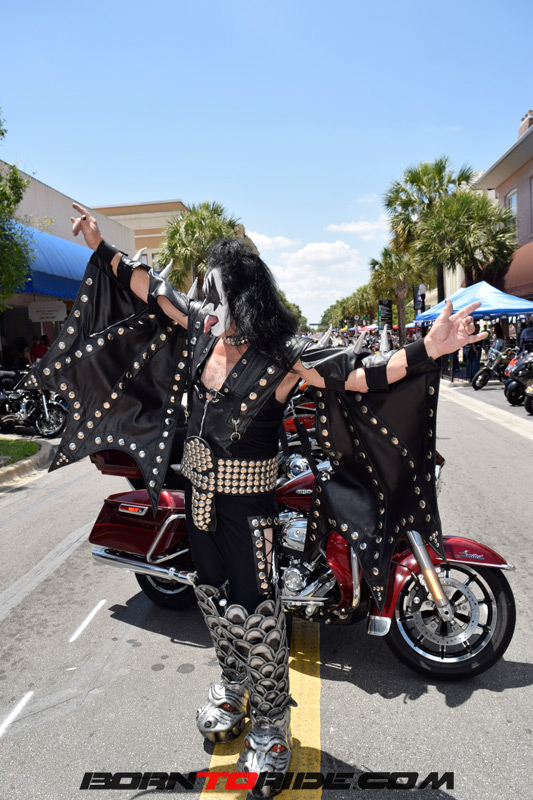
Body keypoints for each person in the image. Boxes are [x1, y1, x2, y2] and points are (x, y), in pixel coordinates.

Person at [29, 202, 487, 797]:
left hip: (251, 514)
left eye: (214, 292)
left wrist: (428, 348)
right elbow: (149, 288)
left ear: (241, 298)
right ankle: (232, 686)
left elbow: (362, 374)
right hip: (199, 501)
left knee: (259, 615)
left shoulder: (284, 356)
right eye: (204, 292)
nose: (204, 300)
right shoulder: (200, 329)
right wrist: (99, 246)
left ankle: (271, 727)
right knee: (213, 600)